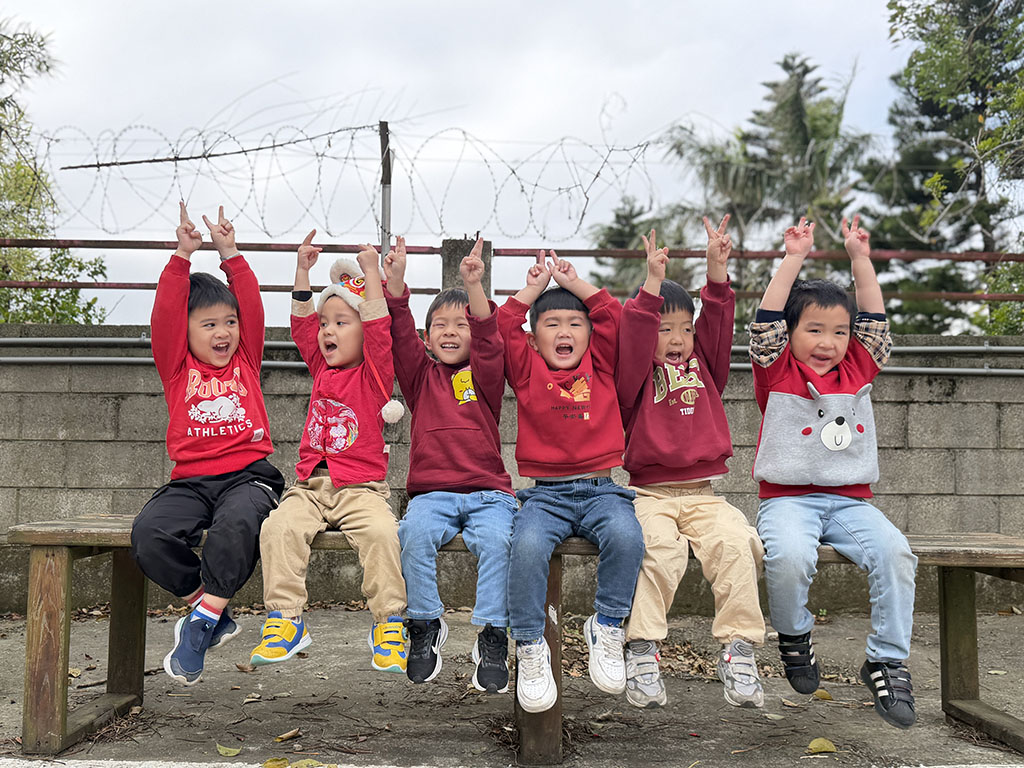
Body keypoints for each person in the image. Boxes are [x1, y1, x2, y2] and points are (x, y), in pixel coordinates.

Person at [749, 216, 917, 729]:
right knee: (788, 557)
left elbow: (875, 319)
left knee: (895, 553)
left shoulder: (859, 367)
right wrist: (794, 258)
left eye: (839, 332)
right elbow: (767, 317)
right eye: (814, 330)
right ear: (790, 335)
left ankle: (886, 661)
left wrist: (860, 258)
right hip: (786, 500)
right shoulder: (776, 369)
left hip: (850, 503)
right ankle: (794, 636)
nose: (828, 342)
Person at [131, 202, 284, 686]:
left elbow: (252, 302)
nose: (223, 332)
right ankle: (209, 607)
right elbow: (165, 314)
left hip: (248, 478)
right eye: (209, 324)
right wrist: (182, 256)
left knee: (236, 525)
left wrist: (229, 253)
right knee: (149, 534)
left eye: (229, 322)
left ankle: (201, 623)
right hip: (192, 482)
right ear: (186, 332)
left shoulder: (246, 358)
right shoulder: (177, 367)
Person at [617, 219, 766, 710]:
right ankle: (642, 649)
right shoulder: (635, 379)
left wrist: (716, 269)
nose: (677, 337)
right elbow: (633, 336)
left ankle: (739, 649)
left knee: (738, 544)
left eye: (685, 327)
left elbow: (719, 321)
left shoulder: (706, 368)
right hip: (649, 496)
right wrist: (652, 284)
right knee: (657, 551)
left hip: (704, 494)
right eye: (665, 329)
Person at [250, 232, 408, 674]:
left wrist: (372, 272)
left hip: (361, 489)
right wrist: (302, 271)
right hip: (310, 488)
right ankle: (285, 621)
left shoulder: (375, 374)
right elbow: (301, 326)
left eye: (341, 322)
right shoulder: (321, 367)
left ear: (362, 331)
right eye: (326, 323)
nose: (328, 331)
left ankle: (389, 624)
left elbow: (380, 329)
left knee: (382, 534)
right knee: (277, 527)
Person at [498, 251, 644, 714]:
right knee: (526, 546)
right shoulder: (526, 369)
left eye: (575, 324)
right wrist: (533, 289)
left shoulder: (601, 364)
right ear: (534, 337)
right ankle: (529, 644)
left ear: (590, 334)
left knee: (627, 536)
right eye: (552, 324)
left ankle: (608, 625)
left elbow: (613, 315)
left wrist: (574, 283)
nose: (565, 332)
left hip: (603, 490)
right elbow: (502, 326)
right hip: (546, 495)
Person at [383, 235, 516, 692]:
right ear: (427, 337)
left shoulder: (485, 376)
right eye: (440, 325)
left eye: (461, 324)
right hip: (432, 495)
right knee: (412, 534)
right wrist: (396, 284)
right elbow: (400, 335)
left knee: (499, 541)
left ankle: (493, 632)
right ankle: (425, 623)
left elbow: (491, 339)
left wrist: (473, 286)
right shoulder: (420, 377)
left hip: (488, 494)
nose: (450, 331)